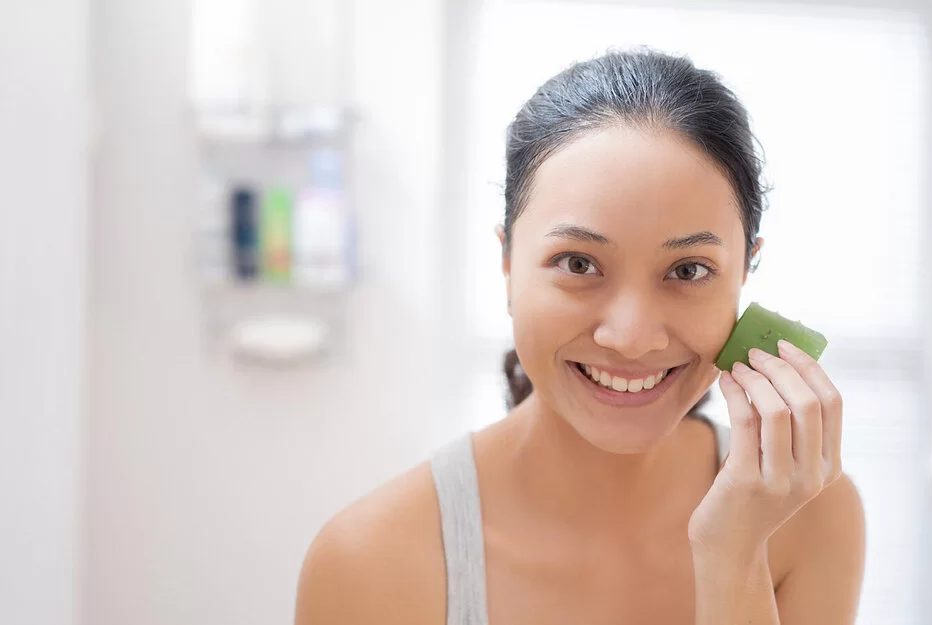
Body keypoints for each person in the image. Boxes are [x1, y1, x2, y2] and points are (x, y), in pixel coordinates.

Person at [295, 49, 866, 625]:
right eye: (577, 263)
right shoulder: (369, 561)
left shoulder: (810, 518)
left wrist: (733, 557)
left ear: (745, 272)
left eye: (688, 270)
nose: (630, 338)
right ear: (507, 263)